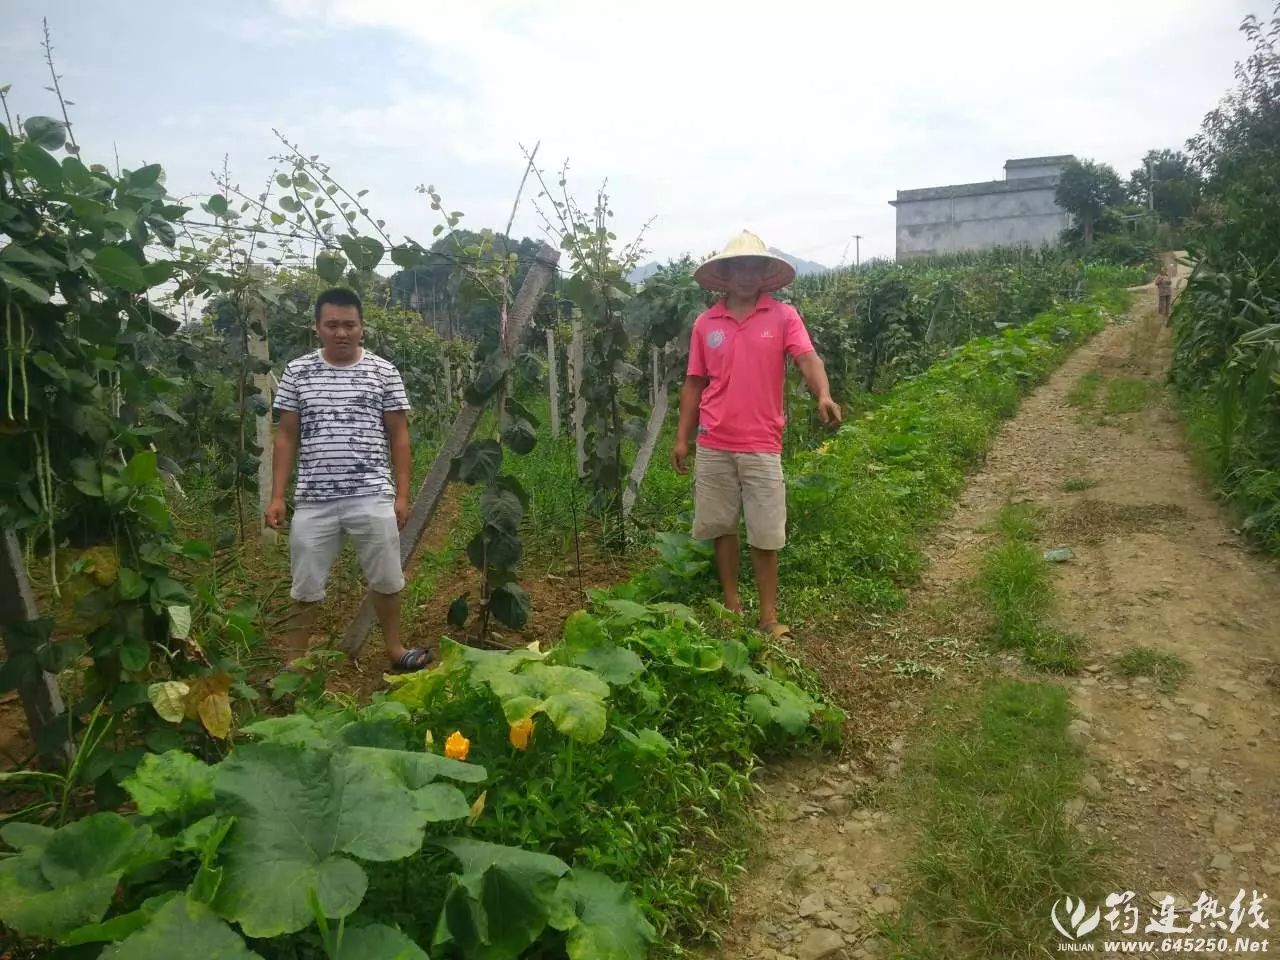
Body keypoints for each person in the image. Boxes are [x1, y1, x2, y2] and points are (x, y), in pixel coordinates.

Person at [671, 230, 842, 639]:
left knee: (766, 532)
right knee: (722, 527)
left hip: (762, 442)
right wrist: (682, 438)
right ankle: (732, 606)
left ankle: (768, 617)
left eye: (753, 267)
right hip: (714, 441)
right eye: (738, 268)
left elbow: (807, 357)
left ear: (764, 273)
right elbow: (694, 382)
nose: (746, 276)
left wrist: (823, 394)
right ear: (725, 275)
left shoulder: (783, 316)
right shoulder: (705, 322)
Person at [265, 287, 431, 671]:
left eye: (349, 325)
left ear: (362, 328)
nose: (341, 332)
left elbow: (399, 436)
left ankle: (393, 649)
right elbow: (286, 435)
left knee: (388, 579)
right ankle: (294, 663)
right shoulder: (297, 371)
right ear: (317, 328)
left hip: (371, 494)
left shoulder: (383, 372)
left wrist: (402, 494)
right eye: (332, 325)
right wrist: (277, 496)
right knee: (305, 585)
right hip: (313, 498)